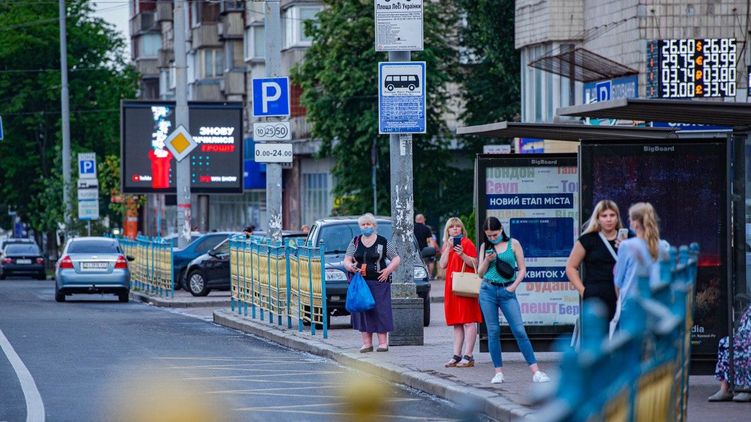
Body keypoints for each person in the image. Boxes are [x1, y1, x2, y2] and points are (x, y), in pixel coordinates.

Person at [477, 216, 550, 384]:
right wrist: (487, 260)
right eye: (489, 235)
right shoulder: (485, 246)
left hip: (507, 290)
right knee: (493, 331)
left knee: (519, 330)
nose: (492, 238)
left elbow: (522, 269)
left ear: (501, 230)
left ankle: (536, 371)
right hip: (488, 290)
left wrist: (514, 286)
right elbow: (480, 273)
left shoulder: (513, 244)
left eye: (495, 234)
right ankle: (498, 372)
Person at [343, 213, 401, 352]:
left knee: (381, 311)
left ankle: (383, 343)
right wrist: (350, 266)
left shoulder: (383, 241)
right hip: (361, 282)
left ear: (374, 226)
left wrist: (388, 270)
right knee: (363, 311)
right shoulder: (355, 241)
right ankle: (367, 344)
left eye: (368, 224)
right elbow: (347, 259)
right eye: (363, 225)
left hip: (379, 282)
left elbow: (396, 258)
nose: (366, 227)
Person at [565, 200, 628, 323]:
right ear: (598, 218)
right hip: (595, 297)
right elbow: (570, 267)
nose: (608, 219)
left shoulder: (628, 238)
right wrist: (583, 291)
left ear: (617, 217)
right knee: (597, 332)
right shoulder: (587, 239)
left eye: (612, 215)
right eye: (604, 216)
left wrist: (627, 247)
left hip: (622, 295)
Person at [613, 202, 669, 332]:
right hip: (655, 303)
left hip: (631, 305)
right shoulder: (663, 246)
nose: (629, 222)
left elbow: (618, 282)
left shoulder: (626, 246)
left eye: (630, 219)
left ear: (635, 223)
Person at [438, 217, 483, 368]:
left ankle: (468, 355)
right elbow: (442, 264)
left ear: (462, 229)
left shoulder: (467, 243)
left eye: (458, 226)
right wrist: (448, 248)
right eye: (452, 227)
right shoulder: (447, 245)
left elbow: (475, 263)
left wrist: (462, 254)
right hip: (452, 286)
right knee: (457, 322)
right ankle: (456, 355)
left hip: (465, 286)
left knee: (468, 321)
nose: (455, 229)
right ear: (448, 230)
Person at [708, 303, 751, 402]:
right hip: (746, 335)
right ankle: (725, 389)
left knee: (746, 346)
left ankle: (748, 387)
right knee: (725, 342)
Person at [414, 214, 437, 278]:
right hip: (424, 250)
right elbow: (431, 240)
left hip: (413, 250)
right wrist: (432, 251)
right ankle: (429, 275)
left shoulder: (411, 228)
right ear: (423, 219)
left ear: (416, 220)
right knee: (429, 262)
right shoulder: (426, 228)